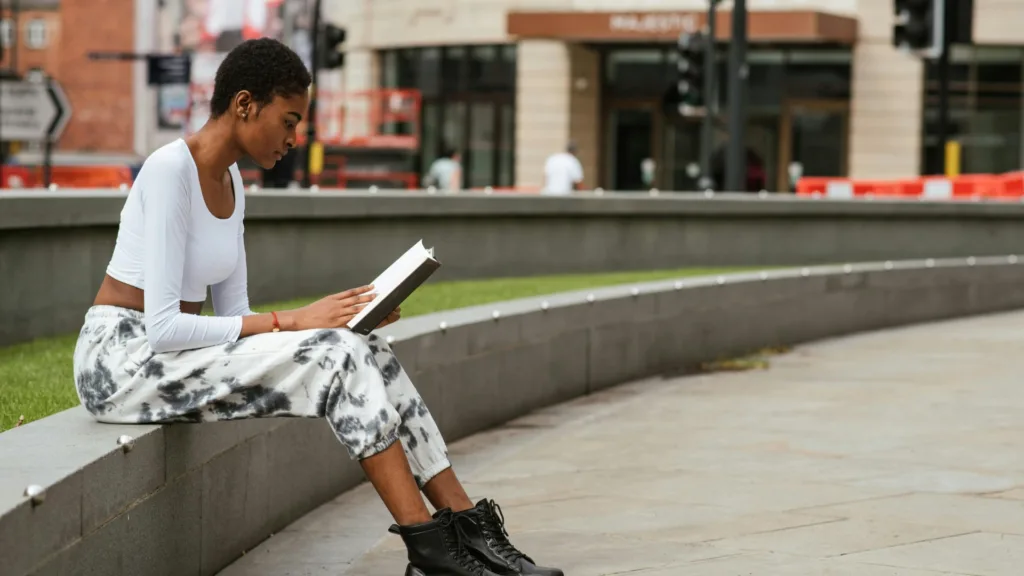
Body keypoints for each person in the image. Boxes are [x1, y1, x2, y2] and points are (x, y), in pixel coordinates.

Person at [71, 38, 562, 576]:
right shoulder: (170, 171)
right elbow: (163, 329)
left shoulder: (232, 181)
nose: (295, 138)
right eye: (288, 120)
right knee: (335, 356)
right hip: (121, 361)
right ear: (244, 105)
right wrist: (297, 321)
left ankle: (466, 522)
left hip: (172, 357)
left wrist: (345, 322)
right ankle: (430, 548)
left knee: (359, 343)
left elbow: (237, 313)